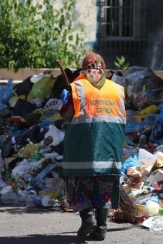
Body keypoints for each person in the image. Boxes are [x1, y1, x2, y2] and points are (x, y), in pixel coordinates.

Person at [60, 52, 126, 241]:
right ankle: (102, 227)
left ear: (84, 69)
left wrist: (66, 98)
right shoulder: (117, 89)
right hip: (110, 148)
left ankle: (87, 216)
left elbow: (66, 116)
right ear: (103, 69)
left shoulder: (77, 88)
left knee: (80, 183)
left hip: (83, 148)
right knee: (104, 188)